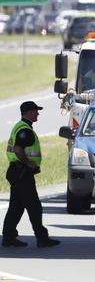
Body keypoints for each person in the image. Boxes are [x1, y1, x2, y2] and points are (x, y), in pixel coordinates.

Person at [2, 101, 60, 247]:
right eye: (35, 111)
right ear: (28, 112)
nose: (38, 113)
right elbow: (18, 150)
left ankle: (8, 237)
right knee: (34, 207)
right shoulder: (25, 131)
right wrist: (28, 163)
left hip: (16, 172)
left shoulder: (20, 127)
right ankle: (41, 238)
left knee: (16, 207)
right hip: (22, 173)